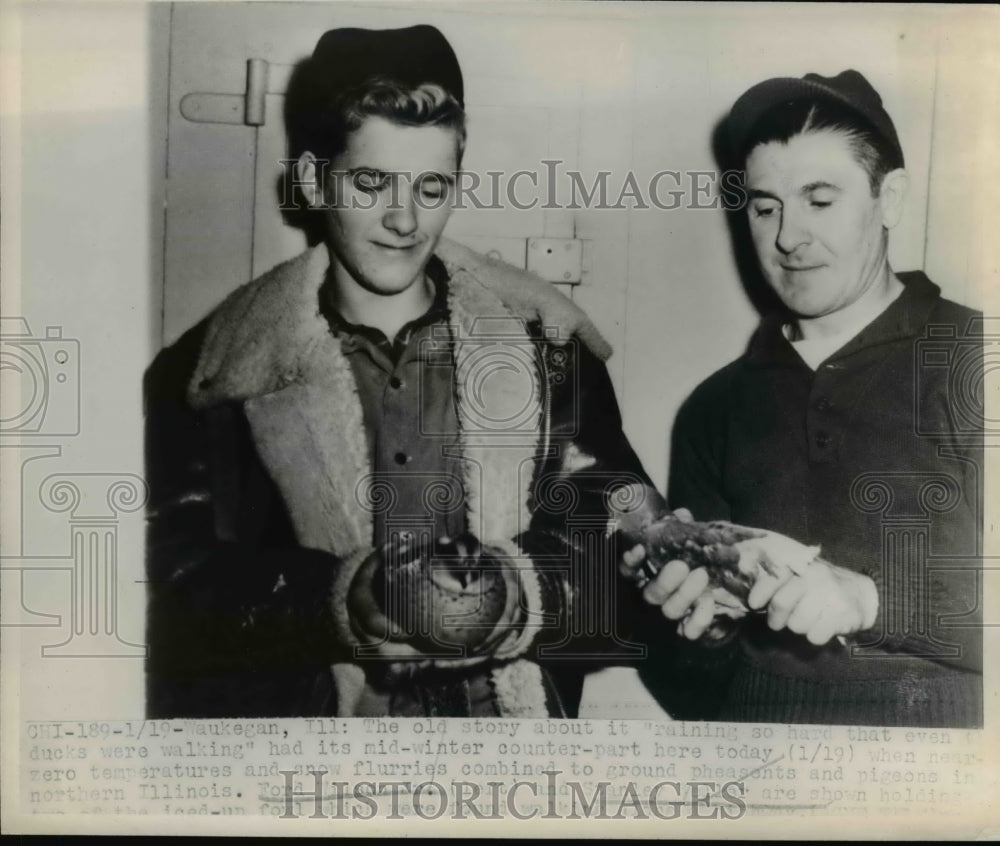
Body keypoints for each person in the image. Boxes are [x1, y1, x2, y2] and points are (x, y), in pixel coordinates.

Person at [143, 25, 655, 719]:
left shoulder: (550, 353)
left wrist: (519, 594)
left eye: (432, 185)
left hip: (507, 774)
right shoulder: (209, 379)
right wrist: (333, 604)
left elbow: (626, 565)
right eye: (371, 181)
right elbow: (175, 596)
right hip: (313, 785)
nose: (404, 219)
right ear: (311, 180)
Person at [643, 70, 983, 727]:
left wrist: (871, 602)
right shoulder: (715, 408)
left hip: (949, 777)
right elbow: (694, 692)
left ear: (890, 199)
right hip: (758, 774)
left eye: (819, 201)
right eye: (766, 207)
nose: (787, 238)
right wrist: (695, 624)